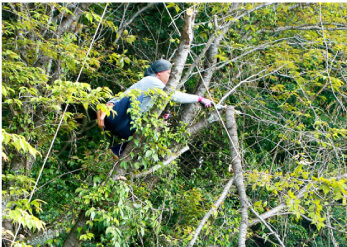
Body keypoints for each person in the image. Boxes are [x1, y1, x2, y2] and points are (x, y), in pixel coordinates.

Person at [97, 59, 212, 157]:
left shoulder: (153, 90)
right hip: (117, 118)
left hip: (125, 126)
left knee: (151, 133)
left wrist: (160, 117)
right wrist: (200, 99)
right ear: (158, 73)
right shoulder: (151, 80)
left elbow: (145, 109)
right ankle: (116, 151)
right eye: (168, 73)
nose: (170, 77)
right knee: (134, 102)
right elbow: (175, 96)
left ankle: (115, 152)